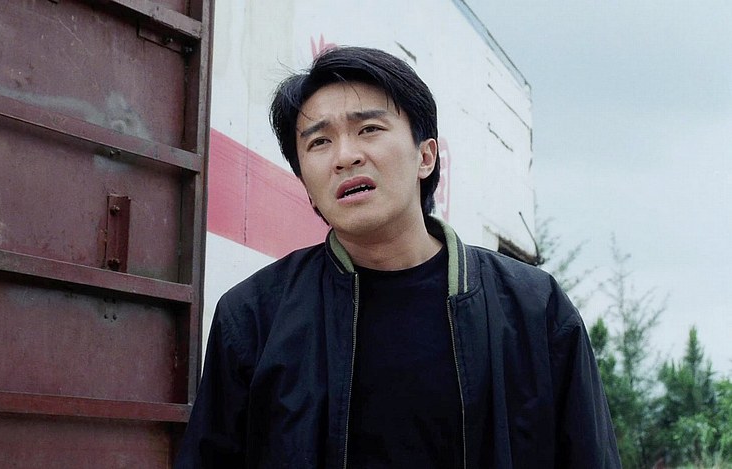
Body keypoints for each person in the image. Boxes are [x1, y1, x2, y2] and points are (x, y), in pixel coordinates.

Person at [176, 46, 620, 468]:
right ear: (306, 184)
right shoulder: (254, 317)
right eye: (319, 142)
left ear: (426, 156)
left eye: (369, 129)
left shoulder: (535, 309)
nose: (345, 157)